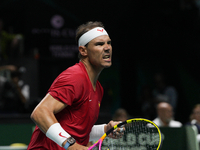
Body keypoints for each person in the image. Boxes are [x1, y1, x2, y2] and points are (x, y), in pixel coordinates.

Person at [27, 21, 121, 150]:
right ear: (83, 50)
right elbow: (40, 113)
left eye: (108, 43)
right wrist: (70, 145)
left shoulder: (98, 88)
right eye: (99, 44)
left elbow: (78, 130)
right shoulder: (75, 76)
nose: (107, 48)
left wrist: (105, 129)